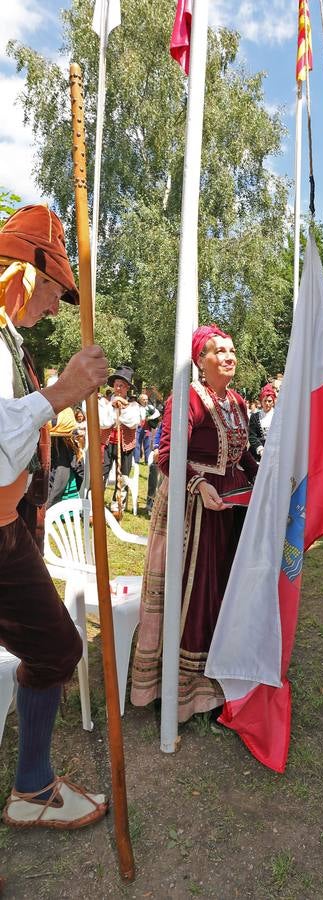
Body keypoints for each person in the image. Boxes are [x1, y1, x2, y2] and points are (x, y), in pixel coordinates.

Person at [0, 204, 108, 828]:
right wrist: (60, 393)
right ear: (20, 271)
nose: (52, 307)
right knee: (56, 647)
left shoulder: (9, 337)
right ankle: (32, 789)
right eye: (51, 290)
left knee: (53, 647)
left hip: (8, 526)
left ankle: (30, 786)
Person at [131, 324, 258, 720]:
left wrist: (266, 477)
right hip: (196, 510)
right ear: (200, 362)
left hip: (232, 509)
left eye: (231, 350)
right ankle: (182, 689)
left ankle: (221, 679)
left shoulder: (237, 402)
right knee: (194, 595)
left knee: (225, 590)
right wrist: (200, 484)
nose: (228, 356)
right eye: (218, 351)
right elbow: (167, 455)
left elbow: (244, 455)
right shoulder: (187, 398)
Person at [99, 365, 143, 509]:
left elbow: (133, 423)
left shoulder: (133, 405)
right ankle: (96, 506)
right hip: (106, 444)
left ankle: (117, 505)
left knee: (123, 476)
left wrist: (122, 409)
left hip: (125, 445)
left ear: (127, 388)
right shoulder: (104, 403)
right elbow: (104, 423)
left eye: (122, 386)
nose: (119, 388)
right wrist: (114, 408)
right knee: (101, 474)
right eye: (117, 385)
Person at [248, 383, 277, 461]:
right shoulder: (254, 416)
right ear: (261, 401)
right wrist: (260, 449)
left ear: (273, 402)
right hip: (258, 453)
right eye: (265, 401)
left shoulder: (278, 416)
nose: (267, 403)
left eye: (269, 401)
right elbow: (252, 436)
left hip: (275, 452)